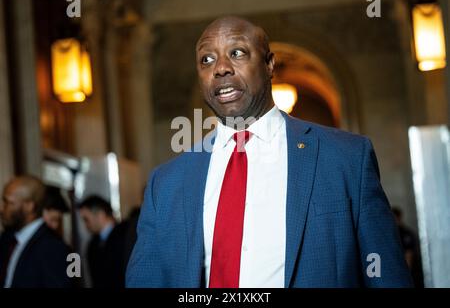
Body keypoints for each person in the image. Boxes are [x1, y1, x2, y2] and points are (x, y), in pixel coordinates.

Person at [126, 16, 413, 288]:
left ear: (269, 65)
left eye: (237, 53)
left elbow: (387, 277)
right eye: (207, 59)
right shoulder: (165, 184)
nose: (221, 68)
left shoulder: (347, 159)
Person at [0, 175, 71, 288]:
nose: (2, 209)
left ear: (29, 206)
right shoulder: (7, 239)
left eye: (9, 203)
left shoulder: (53, 247)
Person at [78, 196, 127, 288]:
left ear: (100, 215)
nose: (86, 225)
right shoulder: (93, 244)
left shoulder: (125, 236)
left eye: (86, 219)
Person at [392, 206, 424, 287]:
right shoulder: (394, 233)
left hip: (410, 274)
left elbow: (409, 255)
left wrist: (405, 274)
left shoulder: (405, 233)